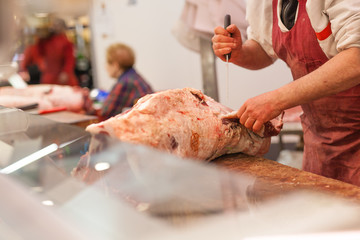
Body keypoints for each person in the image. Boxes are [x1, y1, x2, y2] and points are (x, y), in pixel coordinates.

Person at [212, 0, 360, 186]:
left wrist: (276, 100)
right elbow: (264, 48)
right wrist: (240, 52)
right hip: (319, 141)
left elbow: (356, 58)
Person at [99, 43, 153, 120]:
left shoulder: (124, 82)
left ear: (115, 65)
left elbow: (105, 113)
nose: (105, 66)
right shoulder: (134, 76)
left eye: (107, 62)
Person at [20, 17, 79, 86]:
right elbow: (37, 52)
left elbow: (70, 59)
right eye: (55, 25)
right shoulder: (46, 40)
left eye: (58, 25)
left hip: (61, 78)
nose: (56, 27)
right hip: (49, 76)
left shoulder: (66, 42)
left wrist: (65, 72)